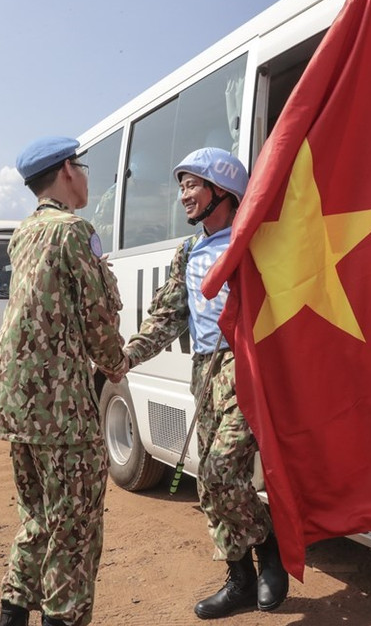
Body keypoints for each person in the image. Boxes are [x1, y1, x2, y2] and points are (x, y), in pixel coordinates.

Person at [117, 147, 288, 619]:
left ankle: (271, 549)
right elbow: (168, 316)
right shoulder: (189, 252)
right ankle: (241, 580)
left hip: (249, 370)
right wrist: (128, 356)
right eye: (181, 187)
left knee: (218, 471)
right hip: (205, 371)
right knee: (211, 483)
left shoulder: (256, 241)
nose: (183, 196)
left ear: (222, 191)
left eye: (192, 185)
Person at [0, 136, 127, 626]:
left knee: (37, 519)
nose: (86, 176)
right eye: (83, 167)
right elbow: (97, 316)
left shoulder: (23, 233)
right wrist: (116, 365)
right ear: (68, 169)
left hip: (17, 406)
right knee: (75, 528)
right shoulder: (73, 230)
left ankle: (13, 615)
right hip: (61, 409)